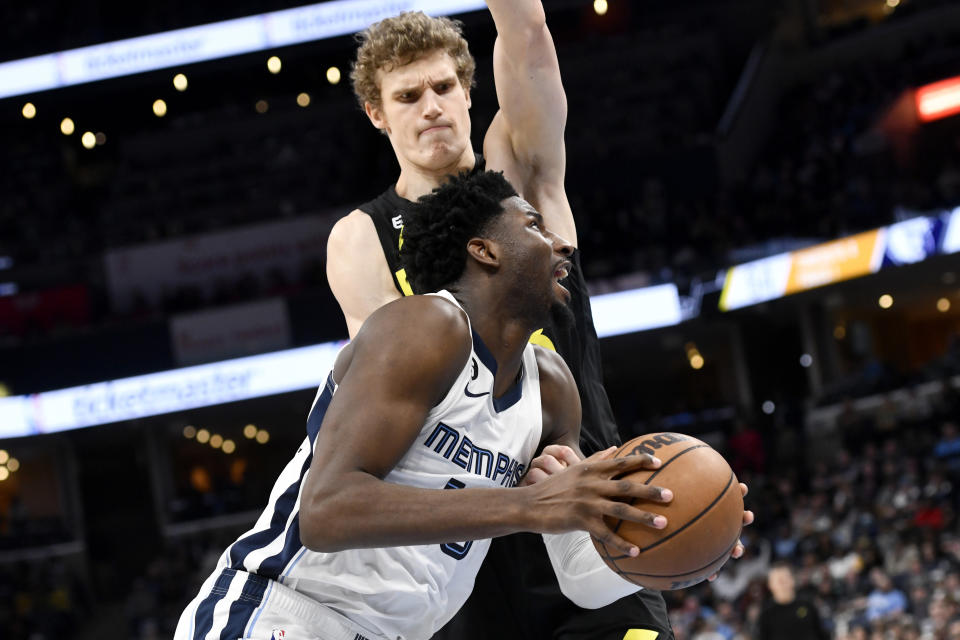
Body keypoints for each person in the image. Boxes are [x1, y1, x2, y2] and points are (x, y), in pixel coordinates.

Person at [174, 169, 674, 640]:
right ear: (485, 250)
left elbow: (580, 580)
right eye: (535, 226)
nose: (563, 244)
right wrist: (526, 504)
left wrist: (674, 542)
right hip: (287, 613)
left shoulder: (554, 391)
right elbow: (325, 512)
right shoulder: (425, 326)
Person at [325, 4, 687, 637]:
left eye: (443, 87)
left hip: (588, 500)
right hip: (467, 550)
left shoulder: (517, 174)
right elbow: (395, 415)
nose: (431, 106)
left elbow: (527, 32)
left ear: (468, 92)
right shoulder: (363, 239)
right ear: (377, 115)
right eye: (408, 96)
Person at [756, 562, 829, 640]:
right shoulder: (766, 613)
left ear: (792, 580)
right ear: (770, 585)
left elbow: (822, 633)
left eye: (784, 579)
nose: (782, 584)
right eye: (778, 580)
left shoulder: (807, 604)